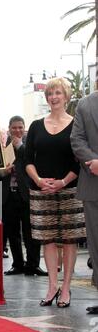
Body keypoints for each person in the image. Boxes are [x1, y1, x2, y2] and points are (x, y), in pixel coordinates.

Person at [25, 77, 86, 308]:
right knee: (47, 240)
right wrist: (39, 180)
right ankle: (52, 286)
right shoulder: (36, 126)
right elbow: (28, 160)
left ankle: (66, 289)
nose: (53, 97)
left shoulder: (75, 125)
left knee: (69, 240)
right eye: (50, 93)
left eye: (58, 93)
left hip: (70, 190)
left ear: (66, 96)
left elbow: (79, 160)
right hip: (41, 192)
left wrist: (63, 181)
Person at [0, 116, 47, 276]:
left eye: (20, 127)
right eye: (14, 128)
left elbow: (36, 164)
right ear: (9, 129)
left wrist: (21, 146)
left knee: (31, 232)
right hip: (8, 195)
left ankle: (33, 265)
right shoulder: (2, 147)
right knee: (12, 232)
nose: (17, 130)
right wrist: (3, 171)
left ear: (24, 128)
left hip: (27, 194)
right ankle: (17, 264)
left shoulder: (30, 145)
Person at [70, 90, 98, 314]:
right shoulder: (85, 105)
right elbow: (76, 138)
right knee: (96, 245)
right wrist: (92, 161)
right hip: (93, 185)